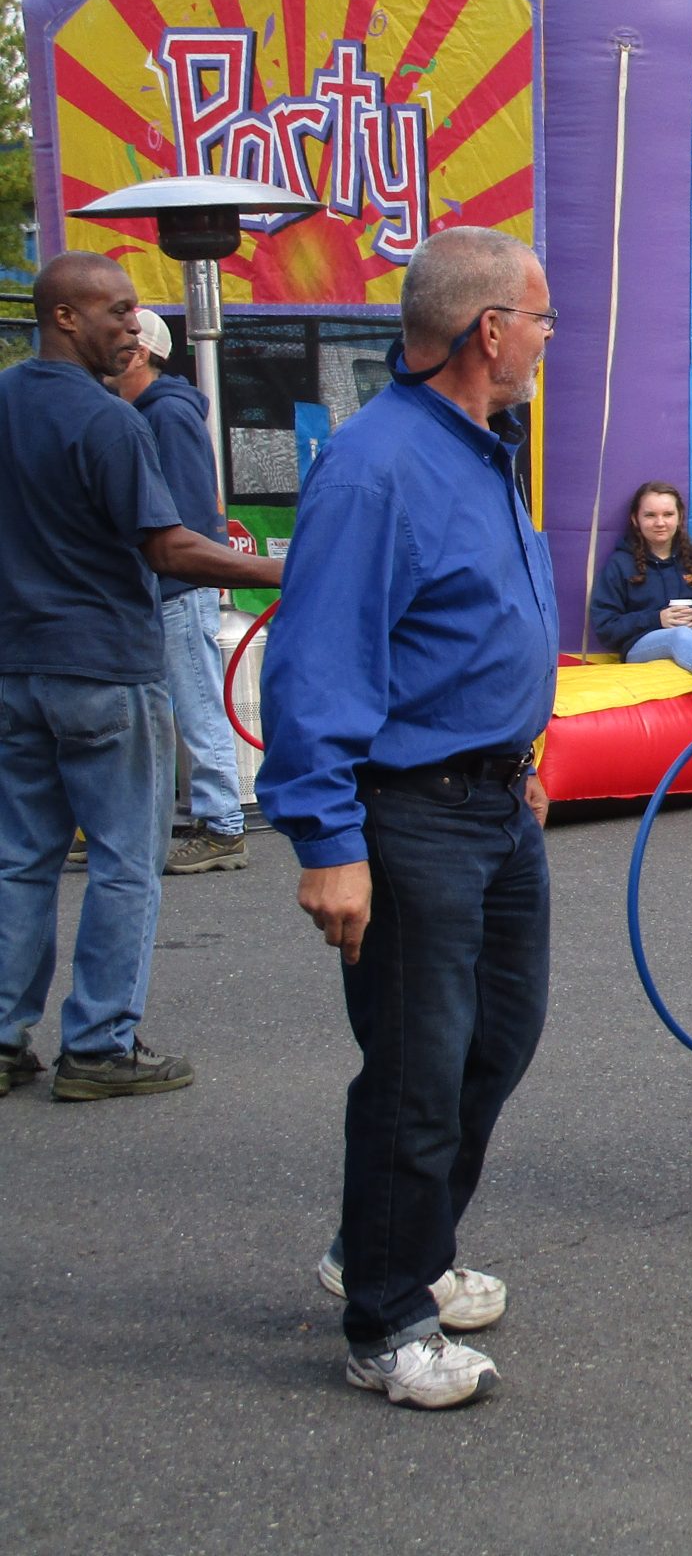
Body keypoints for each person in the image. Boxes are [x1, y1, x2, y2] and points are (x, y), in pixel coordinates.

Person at [258, 226, 559, 1410]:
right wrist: (330, 845)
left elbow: (471, 622)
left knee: (498, 1039)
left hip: (493, 798)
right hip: (410, 815)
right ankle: (387, 1318)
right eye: (537, 321)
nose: (543, 340)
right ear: (489, 331)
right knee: (418, 1066)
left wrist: (514, 747)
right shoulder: (379, 465)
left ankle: (391, 1241)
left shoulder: (481, 445)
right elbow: (317, 663)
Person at [0, 254, 282, 1103]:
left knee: (20, 860)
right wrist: (285, 572)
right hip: (105, 668)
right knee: (127, 860)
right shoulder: (112, 424)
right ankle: (100, 1045)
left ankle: (6, 1038)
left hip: (18, 665)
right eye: (117, 312)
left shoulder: (8, 399)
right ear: (63, 319)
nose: (133, 327)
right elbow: (169, 546)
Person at [113, 308, 249, 874]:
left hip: (174, 582)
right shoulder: (156, 411)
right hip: (164, 581)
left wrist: (182, 569)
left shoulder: (164, 415)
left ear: (140, 352)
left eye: (119, 340)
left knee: (194, 701)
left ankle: (222, 824)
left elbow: (187, 510)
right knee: (164, 706)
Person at [587, 481, 692, 700]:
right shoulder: (620, 565)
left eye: (668, 514)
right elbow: (606, 627)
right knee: (679, 634)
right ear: (635, 519)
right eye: (650, 515)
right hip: (641, 645)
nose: (660, 523)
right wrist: (656, 619)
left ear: (679, 517)